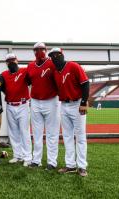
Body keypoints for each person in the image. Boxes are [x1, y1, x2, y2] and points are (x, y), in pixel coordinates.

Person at [49, 47, 89, 177]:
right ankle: (70, 165)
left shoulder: (73, 66)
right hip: (64, 105)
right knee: (67, 136)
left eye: (57, 55)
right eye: (52, 56)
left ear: (62, 54)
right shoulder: (55, 72)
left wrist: (83, 102)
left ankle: (82, 166)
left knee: (80, 136)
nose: (54, 57)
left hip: (77, 104)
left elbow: (85, 84)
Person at [26, 42, 60, 170]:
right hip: (35, 101)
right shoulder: (30, 66)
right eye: (36, 50)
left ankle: (52, 162)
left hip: (51, 100)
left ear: (45, 50)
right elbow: (29, 81)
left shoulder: (52, 63)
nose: (38, 52)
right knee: (36, 133)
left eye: (41, 49)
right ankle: (36, 160)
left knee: (52, 133)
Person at [1, 53, 32, 166]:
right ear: (6, 63)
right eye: (8, 61)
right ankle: (17, 155)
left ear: (17, 60)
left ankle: (27, 157)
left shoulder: (24, 71)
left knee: (24, 132)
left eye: (13, 60)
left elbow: (31, 81)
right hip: (10, 105)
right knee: (13, 132)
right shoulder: (4, 74)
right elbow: (4, 88)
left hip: (23, 105)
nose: (11, 62)